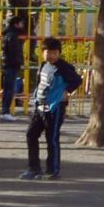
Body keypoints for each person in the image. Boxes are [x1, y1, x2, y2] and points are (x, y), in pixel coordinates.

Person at [20, 37, 82, 180]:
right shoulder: (43, 65)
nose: (51, 55)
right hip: (40, 106)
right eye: (48, 52)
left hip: (55, 107)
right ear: (43, 52)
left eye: (54, 53)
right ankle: (33, 168)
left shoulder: (63, 67)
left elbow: (77, 80)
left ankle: (52, 170)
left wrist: (67, 91)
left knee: (51, 138)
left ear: (59, 53)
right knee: (31, 134)